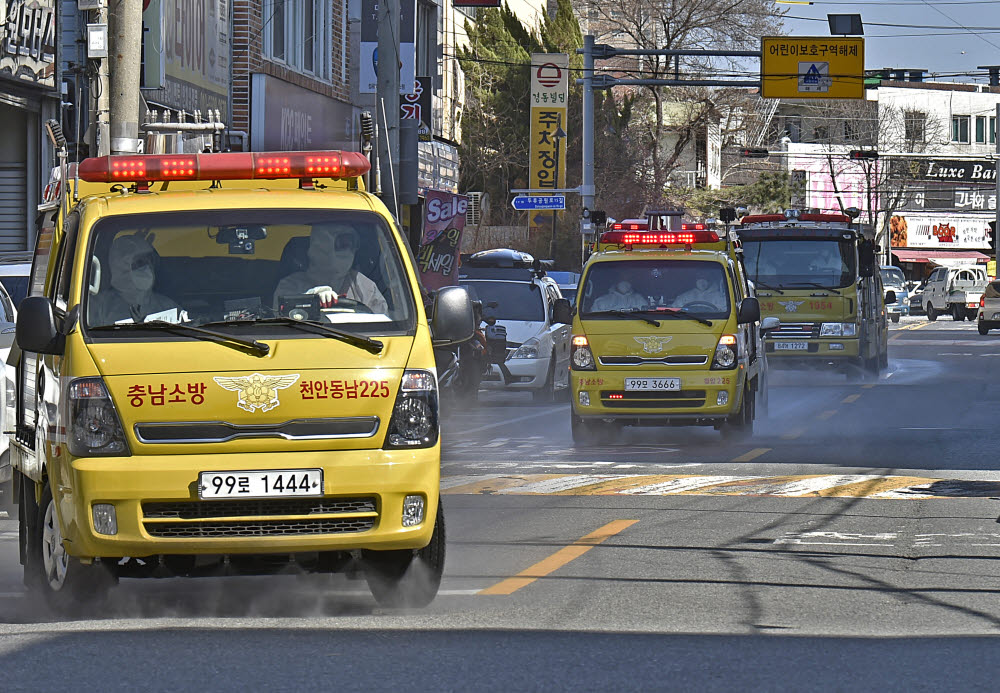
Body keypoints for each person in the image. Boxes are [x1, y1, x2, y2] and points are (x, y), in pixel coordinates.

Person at [273, 223, 388, 314]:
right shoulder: (290, 286)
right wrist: (307, 299)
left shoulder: (365, 287)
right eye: (342, 244)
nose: (347, 251)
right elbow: (279, 318)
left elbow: (385, 327)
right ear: (321, 247)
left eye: (350, 244)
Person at [88, 233, 182, 325]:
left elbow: (186, 327)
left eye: (148, 261)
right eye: (139, 263)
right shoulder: (101, 307)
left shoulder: (166, 306)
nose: (146, 267)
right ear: (120, 269)